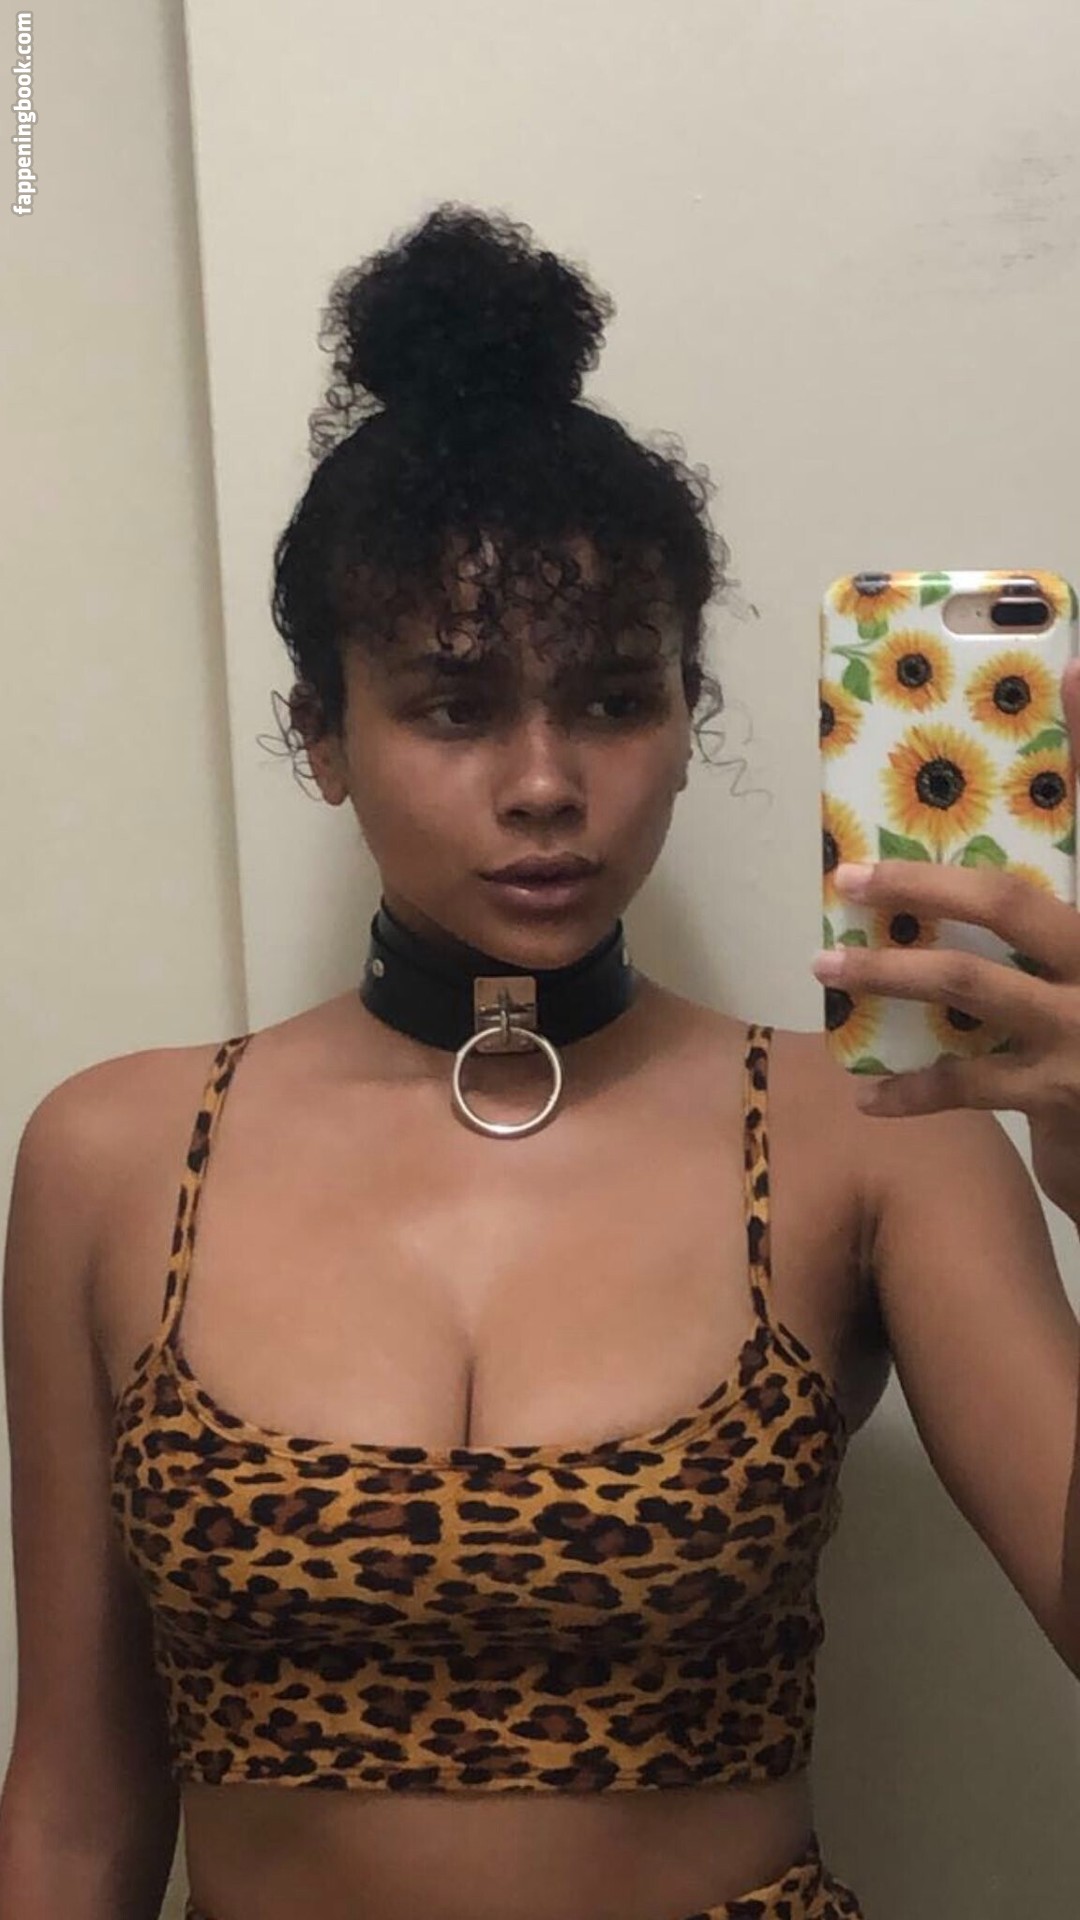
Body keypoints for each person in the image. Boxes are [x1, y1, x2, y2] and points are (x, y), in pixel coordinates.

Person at [3, 203, 1079, 1920]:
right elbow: (74, 1805)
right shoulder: (116, 1158)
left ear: (688, 714)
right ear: (322, 735)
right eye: (453, 705)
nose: (544, 783)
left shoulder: (877, 1129)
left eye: (611, 698)